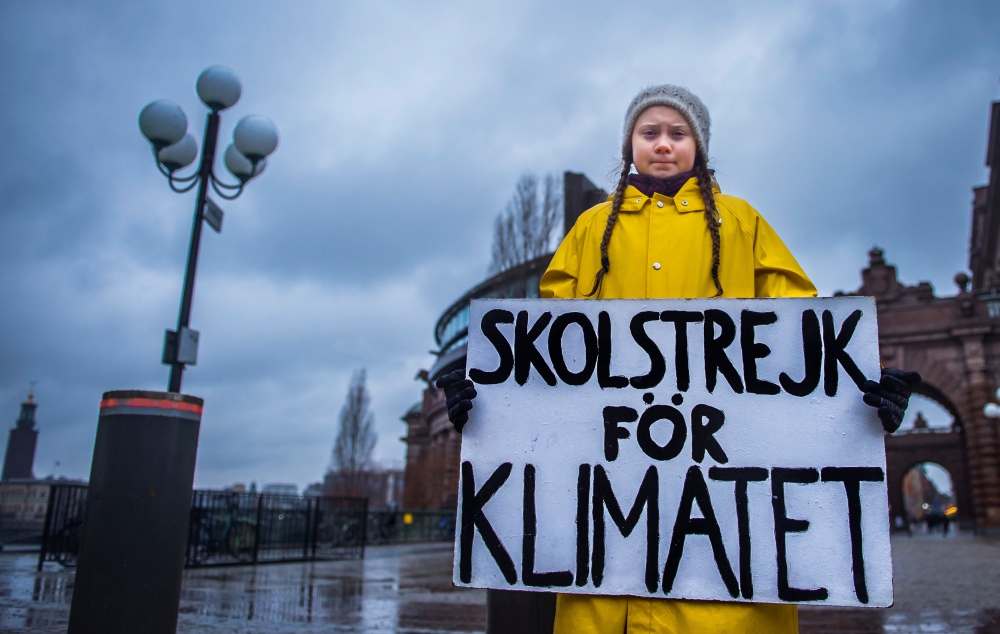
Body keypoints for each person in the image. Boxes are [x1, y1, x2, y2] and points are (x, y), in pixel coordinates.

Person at [437, 84, 920, 634]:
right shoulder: (591, 230)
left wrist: (858, 392)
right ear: (629, 146)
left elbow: (798, 342)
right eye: (649, 132)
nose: (663, 145)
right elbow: (551, 357)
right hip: (606, 568)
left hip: (728, 578)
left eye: (678, 133)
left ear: (700, 146)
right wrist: (492, 399)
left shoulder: (744, 224)